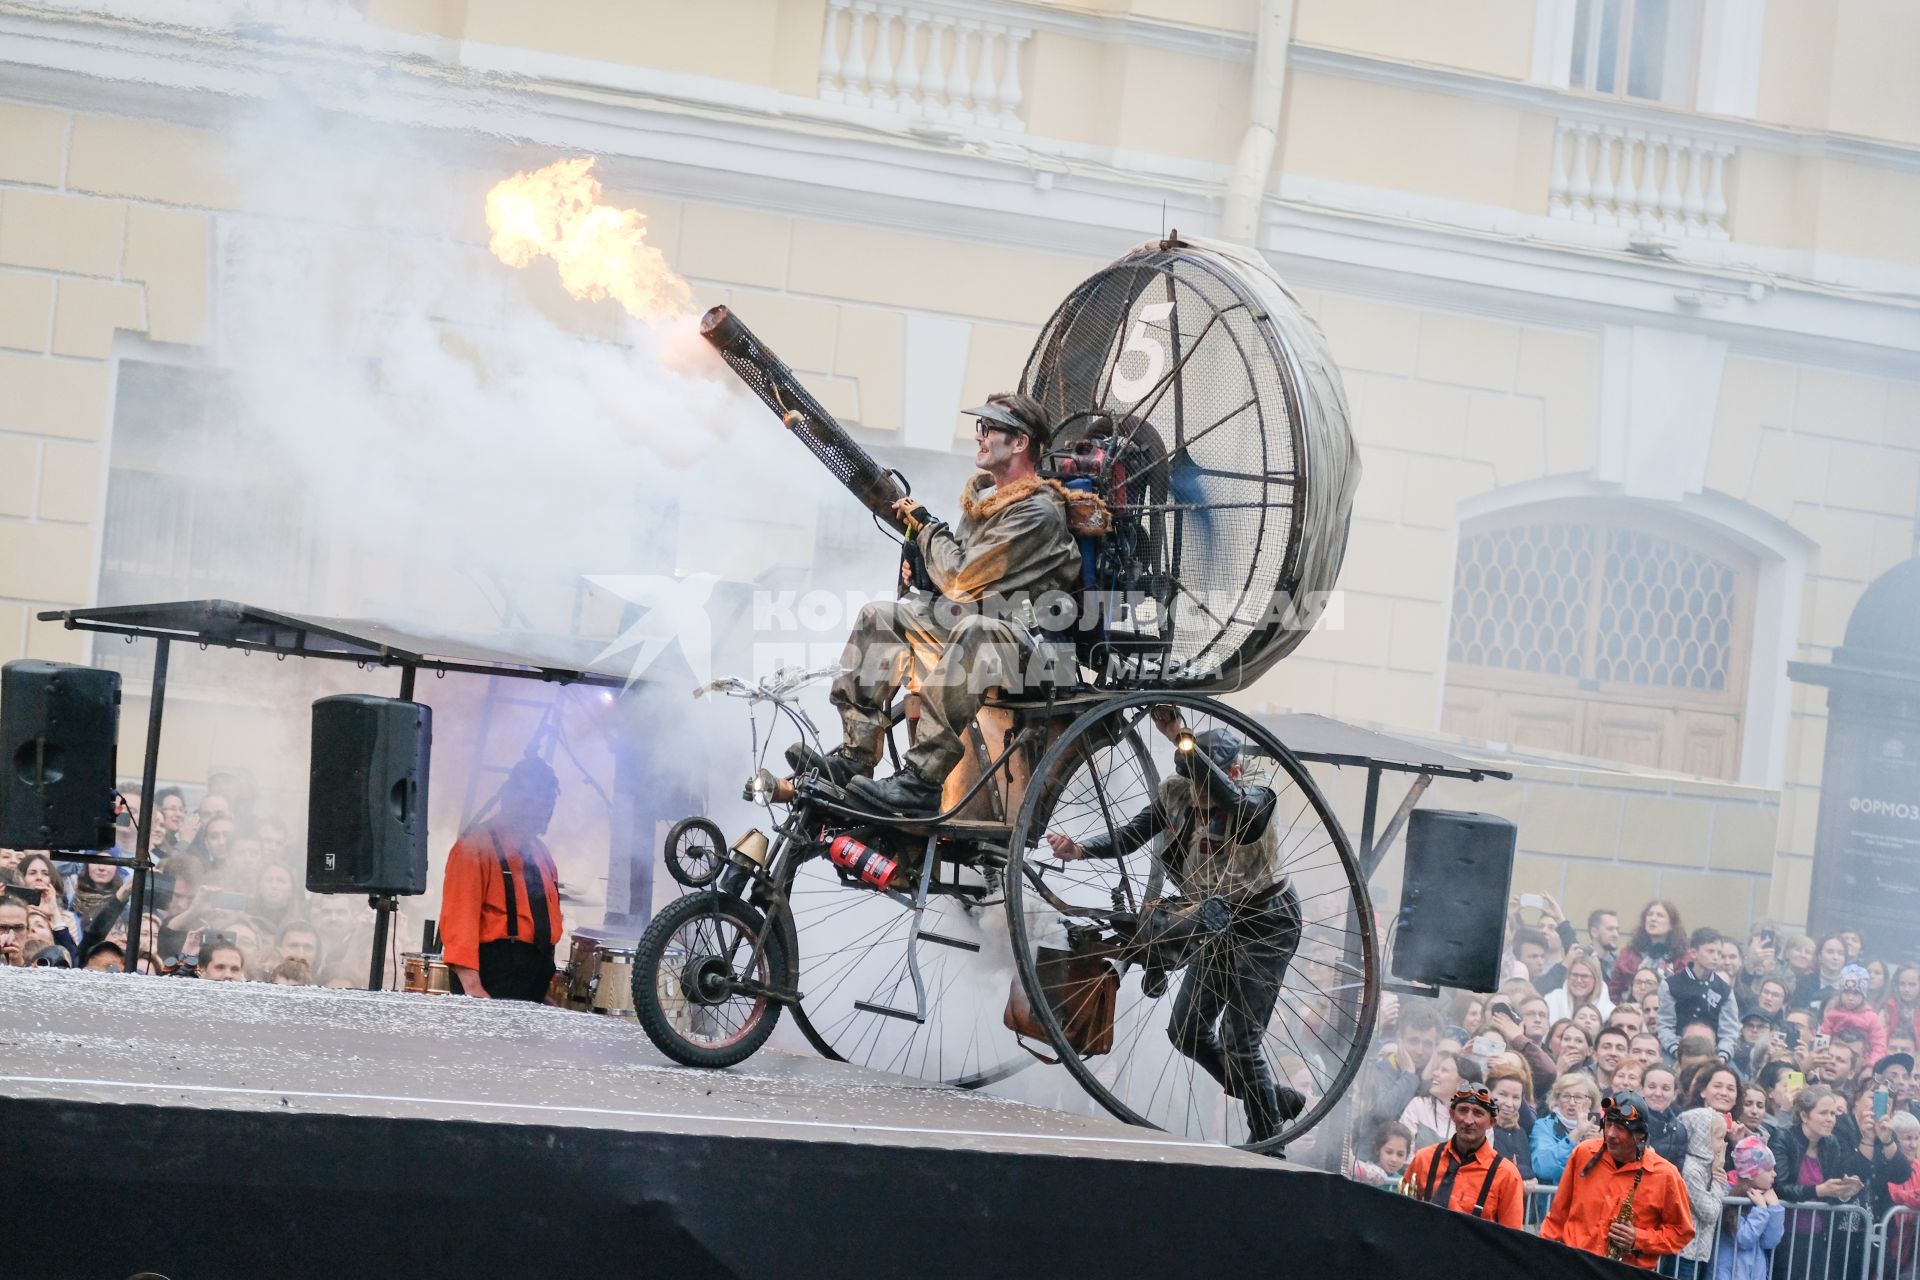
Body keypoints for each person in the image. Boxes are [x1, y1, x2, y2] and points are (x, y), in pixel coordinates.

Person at [797, 392, 1081, 815]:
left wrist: (929, 530)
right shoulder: (987, 505)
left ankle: (922, 780)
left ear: (1020, 442)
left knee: (976, 630)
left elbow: (963, 577)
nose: (979, 437)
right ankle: (855, 757)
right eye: (979, 428)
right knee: (881, 618)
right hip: (979, 629)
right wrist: (924, 570)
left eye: (989, 429)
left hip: (1027, 652)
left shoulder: (1037, 512)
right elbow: (960, 580)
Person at [1049, 717, 1303, 1142]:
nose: (1196, 793)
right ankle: (1269, 1098)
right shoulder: (1178, 793)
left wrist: (1180, 741)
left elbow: (1243, 812)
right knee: (1184, 1031)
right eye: (1190, 781)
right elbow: (1134, 833)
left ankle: (1268, 1137)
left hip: (1267, 922)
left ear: (1232, 774)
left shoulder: (1256, 797)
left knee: (1240, 1042)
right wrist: (1082, 848)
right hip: (1216, 921)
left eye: (1204, 782)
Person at [440, 757, 566, 1002]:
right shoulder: (475, 847)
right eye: (531, 800)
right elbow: (459, 923)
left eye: (547, 802)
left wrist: (543, 995)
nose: (541, 810)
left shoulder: (542, 855)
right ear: (510, 799)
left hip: (531, 984)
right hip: (491, 980)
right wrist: (474, 989)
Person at [1542, 1090, 1695, 1268]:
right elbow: (1557, 1217)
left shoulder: (1665, 1175)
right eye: (1608, 1124)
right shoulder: (1583, 1153)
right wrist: (1543, 1257)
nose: (1611, 1134)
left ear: (1641, 1136)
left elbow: (1681, 1232)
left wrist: (1638, 1239)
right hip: (1575, 1267)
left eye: (1621, 1128)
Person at [1769, 1084, 1907, 1275]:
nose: (1830, 1120)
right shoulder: (1783, 1137)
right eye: (1824, 1113)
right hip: (1785, 1235)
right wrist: (1820, 1190)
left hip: (1821, 1237)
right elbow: (1779, 1187)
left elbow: (1835, 1183)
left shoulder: (1830, 1143)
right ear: (1804, 1116)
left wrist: (1844, 1190)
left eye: (1833, 1114)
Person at [1400, 1082, 1527, 1228]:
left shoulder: (1506, 1175)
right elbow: (1403, 1215)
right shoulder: (1424, 1158)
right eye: (1463, 1110)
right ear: (1452, 1114)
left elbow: (1511, 1238)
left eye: (1478, 1113)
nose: (1468, 1120)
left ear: (1491, 1122)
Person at [1358, 1002, 1444, 1132]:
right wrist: (1409, 1075)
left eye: (1427, 1044)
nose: (1420, 1051)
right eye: (1413, 1041)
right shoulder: (1384, 1067)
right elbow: (1384, 1113)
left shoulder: (1440, 1075)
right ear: (1400, 1038)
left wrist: (1427, 1080)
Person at [1659, 931, 1741, 1061]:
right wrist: (1676, 1052)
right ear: (1693, 953)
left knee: (1735, 1078)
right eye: (1710, 951)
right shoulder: (1671, 985)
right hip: (1675, 1052)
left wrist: (1721, 1058)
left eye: (1719, 953)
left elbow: (1729, 1033)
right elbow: (1665, 1026)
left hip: (1713, 1055)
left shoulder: (1725, 990)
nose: (1716, 957)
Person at [1715, 1136, 1785, 1280]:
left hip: (1754, 1272)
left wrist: (1775, 1208)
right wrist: (1761, 1210)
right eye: (1769, 1169)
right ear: (1753, 1172)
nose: (1774, 1174)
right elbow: (1744, 1238)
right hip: (1729, 1273)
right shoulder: (1729, 1193)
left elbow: (1770, 1242)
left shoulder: (1762, 1195)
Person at [1674, 1107, 1730, 1278]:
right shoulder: (1691, 1170)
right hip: (1685, 1253)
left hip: (1699, 1252)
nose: (1724, 1144)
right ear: (1702, 1137)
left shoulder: (1707, 1167)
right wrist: (1717, 1181)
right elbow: (1710, 1213)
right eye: (1720, 1138)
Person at [1610, 900, 1688, 1002]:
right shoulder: (1628, 954)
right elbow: (1613, 992)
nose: (1653, 919)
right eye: (1650, 915)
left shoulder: (1683, 958)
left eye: (1660, 915)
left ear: (1671, 925)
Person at [1533, 1072, 1602, 1186]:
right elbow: (1543, 1168)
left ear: (1590, 1102)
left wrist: (1600, 1147)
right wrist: (1576, 1133)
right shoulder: (1543, 1126)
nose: (1571, 1103)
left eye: (1578, 1097)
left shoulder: (1600, 1130)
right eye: (1566, 1096)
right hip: (1553, 1200)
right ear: (1556, 1099)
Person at [1399, 1050, 1472, 1147]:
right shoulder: (1419, 1105)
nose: (1434, 1073)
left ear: (1462, 1084)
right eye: (1437, 1069)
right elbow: (1402, 1147)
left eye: (1444, 1070)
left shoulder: (1476, 1118)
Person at [1821, 965, 1888, 1064]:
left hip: (1860, 1063)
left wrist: (1871, 1065)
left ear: (1863, 996)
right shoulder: (1832, 1014)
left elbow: (1879, 1045)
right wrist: (1821, 1058)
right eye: (1846, 993)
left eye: (1856, 993)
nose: (1850, 998)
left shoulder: (1871, 1018)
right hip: (1833, 1059)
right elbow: (1823, 1038)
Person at [1546, 952, 1614, 1023]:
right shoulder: (1552, 999)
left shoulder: (1609, 1012)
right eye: (1574, 975)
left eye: (1585, 976)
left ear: (1595, 980)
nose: (1578, 980)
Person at [1351, 1119, 1413, 1189]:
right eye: (1389, 1152)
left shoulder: (1404, 1184)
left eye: (1400, 1154)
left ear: (1407, 1155)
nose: (1394, 1159)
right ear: (1377, 1149)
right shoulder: (1362, 1173)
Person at [1795, 935, 1849, 1011]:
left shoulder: (1850, 985)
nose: (1835, 957)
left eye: (1840, 953)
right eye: (1830, 952)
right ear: (1819, 956)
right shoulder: (1804, 983)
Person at [1885, 966, 1920, 1049]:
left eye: (1912, 985)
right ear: (1896, 985)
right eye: (1902, 984)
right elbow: (1880, 1039)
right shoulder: (1888, 1008)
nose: (1906, 989)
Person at [0, 897, 30, 967]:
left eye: (18, 928)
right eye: (2, 927)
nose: (11, 936)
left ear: (28, 932)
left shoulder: (40, 971)